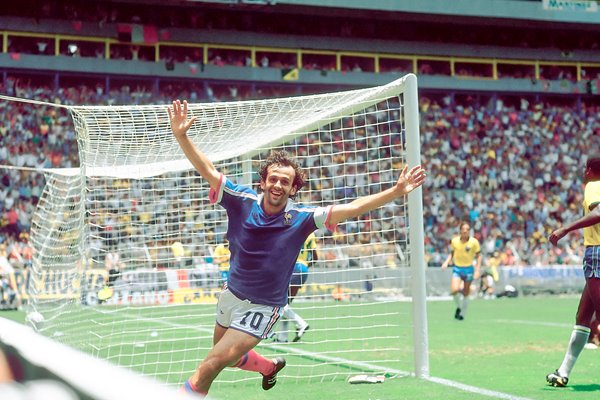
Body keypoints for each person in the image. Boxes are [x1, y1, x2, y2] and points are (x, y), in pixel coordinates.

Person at [168, 100, 426, 396]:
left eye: (286, 182)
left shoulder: (303, 218)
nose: (278, 185)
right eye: (273, 179)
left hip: (263, 307)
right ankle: (268, 367)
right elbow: (208, 170)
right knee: (225, 356)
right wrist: (182, 136)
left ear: (293, 189)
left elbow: (352, 207)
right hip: (231, 294)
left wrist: (395, 191)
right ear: (262, 182)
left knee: (210, 365)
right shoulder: (241, 200)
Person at [546, 153, 600, 388]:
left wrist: (565, 228)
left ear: (590, 170)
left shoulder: (593, 186)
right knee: (583, 316)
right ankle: (563, 372)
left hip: (597, 252)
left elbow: (599, 213)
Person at [272, 233, 317, 343]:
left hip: (293, 267)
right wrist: (304, 267)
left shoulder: (292, 228)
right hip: (304, 269)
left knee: (278, 302)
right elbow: (315, 258)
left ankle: (301, 323)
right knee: (285, 304)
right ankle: (283, 337)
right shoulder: (311, 233)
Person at [441, 221, 481, 320]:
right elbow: (452, 253)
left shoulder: (474, 242)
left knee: (466, 292)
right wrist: (446, 262)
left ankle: (463, 313)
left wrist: (477, 270)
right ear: (460, 231)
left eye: (467, 230)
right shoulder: (454, 241)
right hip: (457, 268)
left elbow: (479, 256)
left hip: (468, 269)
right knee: (454, 290)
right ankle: (459, 307)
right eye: (463, 229)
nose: (465, 231)